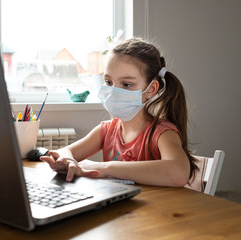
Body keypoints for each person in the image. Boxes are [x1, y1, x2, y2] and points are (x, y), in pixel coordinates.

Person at [41, 38, 198, 187]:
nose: (113, 91)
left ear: (151, 89)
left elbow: (179, 173)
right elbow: (64, 151)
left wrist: (105, 167)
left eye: (126, 84)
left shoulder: (162, 133)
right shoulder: (107, 130)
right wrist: (68, 160)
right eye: (109, 82)